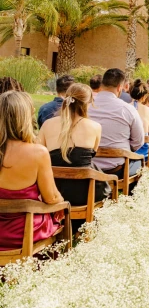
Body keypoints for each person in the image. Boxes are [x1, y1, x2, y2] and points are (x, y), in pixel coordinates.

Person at [38, 83, 107, 230]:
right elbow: (92, 155)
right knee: (105, 186)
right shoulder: (95, 127)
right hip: (84, 194)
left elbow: (38, 154)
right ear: (88, 103)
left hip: (52, 192)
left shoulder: (47, 125)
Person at [0, 91, 63, 250]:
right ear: (25, 119)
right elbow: (51, 198)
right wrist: (62, 203)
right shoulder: (38, 153)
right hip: (24, 233)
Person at [88, 68, 144, 178]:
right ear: (119, 87)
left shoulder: (85, 106)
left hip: (89, 165)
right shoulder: (128, 109)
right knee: (139, 163)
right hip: (116, 168)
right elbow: (138, 141)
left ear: (102, 84)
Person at [129, 80, 149, 163]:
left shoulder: (125, 107)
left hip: (128, 148)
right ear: (144, 96)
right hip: (143, 150)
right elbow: (148, 130)